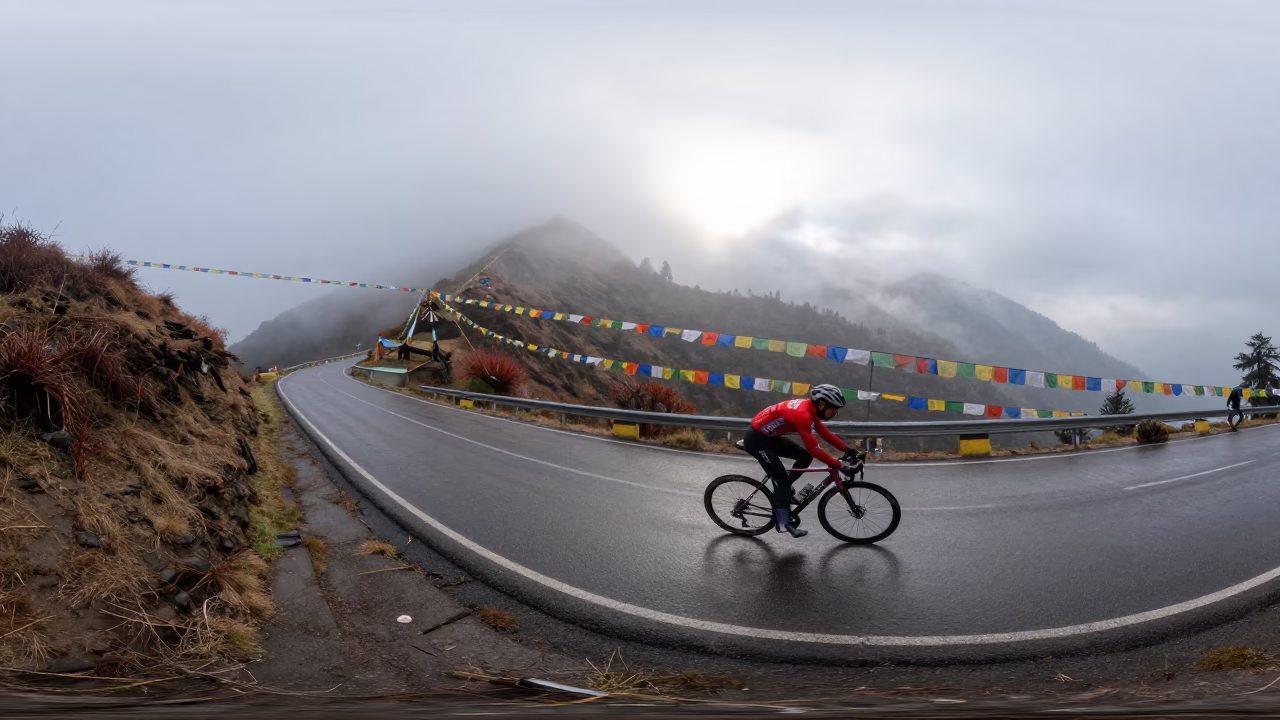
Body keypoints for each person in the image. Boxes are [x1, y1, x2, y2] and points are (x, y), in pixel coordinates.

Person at [744, 384, 860, 538]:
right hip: (756, 440)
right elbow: (815, 449)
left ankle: (782, 491)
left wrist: (847, 449)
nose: (836, 412)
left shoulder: (811, 410)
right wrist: (839, 465)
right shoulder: (803, 414)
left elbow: (824, 433)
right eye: (834, 408)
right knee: (783, 480)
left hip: (770, 438)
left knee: (804, 457)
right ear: (822, 404)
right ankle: (783, 523)